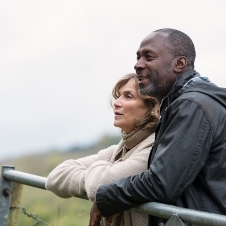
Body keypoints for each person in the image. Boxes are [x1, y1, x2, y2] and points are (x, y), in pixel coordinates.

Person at [89, 29, 226, 226]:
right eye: (138, 57)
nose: (138, 64)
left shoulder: (192, 106)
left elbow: (162, 182)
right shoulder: (187, 104)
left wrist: (106, 198)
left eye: (148, 57)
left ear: (179, 64)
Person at [46, 73, 159, 226]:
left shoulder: (154, 148)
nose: (116, 103)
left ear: (151, 107)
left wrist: (100, 175)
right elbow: (55, 178)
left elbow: (98, 185)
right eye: (118, 96)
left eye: (128, 96)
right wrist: (99, 173)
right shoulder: (118, 150)